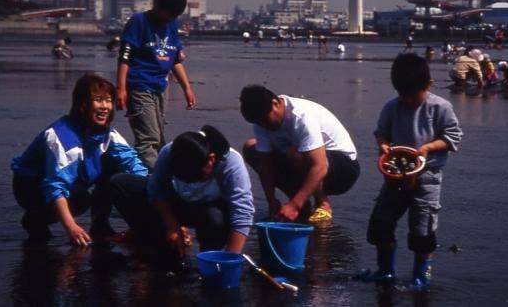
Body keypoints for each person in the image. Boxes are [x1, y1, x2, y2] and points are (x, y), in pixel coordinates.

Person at [363, 53, 462, 290]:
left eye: (412, 95)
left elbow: (453, 137)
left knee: (422, 233)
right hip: (394, 176)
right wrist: (383, 145)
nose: (407, 100)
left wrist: (427, 147)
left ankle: (421, 277)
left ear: (428, 85)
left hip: (427, 178)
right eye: (402, 94)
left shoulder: (440, 107)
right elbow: (381, 133)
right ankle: (385, 271)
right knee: (380, 225)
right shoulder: (392, 107)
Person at [11, 74, 147, 244]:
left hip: (73, 178)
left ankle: (100, 225)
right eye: (98, 100)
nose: (105, 107)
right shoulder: (61, 136)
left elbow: (134, 167)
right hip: (32, 186)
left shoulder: (109, 134)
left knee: (121, 176)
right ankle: (36, 220)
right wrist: (71, 227)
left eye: (108, 100)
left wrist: (150, 213)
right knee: (80, 198)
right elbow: (55, 184)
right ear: (82, 105)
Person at [111, 125, 254, 266]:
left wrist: (229, 259)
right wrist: (172, 226)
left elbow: (242, 213)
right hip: (179, 202)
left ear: (211, 159)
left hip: (210, 212)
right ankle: (154, 241)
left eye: (198, 177)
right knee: (119, 183)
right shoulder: (169, 152)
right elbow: (156, 190)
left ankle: (209, 254)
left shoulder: (231, 162)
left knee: (215, 219)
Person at [241, 85, 359, 224]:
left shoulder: (301, 117)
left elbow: (320, 165)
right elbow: (265, 164)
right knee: (251, 148)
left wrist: (294, 205)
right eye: (259, 123)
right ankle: (299, 202)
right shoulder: (260, 122)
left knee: (296, 153)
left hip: (343, 169)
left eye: (265, 120)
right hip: (303, 162)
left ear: (275, 103)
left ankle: (322, 203)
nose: (264, 126)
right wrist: (271, 200)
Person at [115, 0, 196, 169]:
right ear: (157, 4)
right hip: (139, 86)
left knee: (159, 137)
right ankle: (154, 181)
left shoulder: (172, 25)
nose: (168, 18)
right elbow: (125, 57)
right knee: (148, 139)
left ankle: (155, 177)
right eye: (167, 13)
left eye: (173, 15)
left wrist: (187, 88)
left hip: (161, 87)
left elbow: (175, 59)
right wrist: (121, 88)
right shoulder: (139, 22)